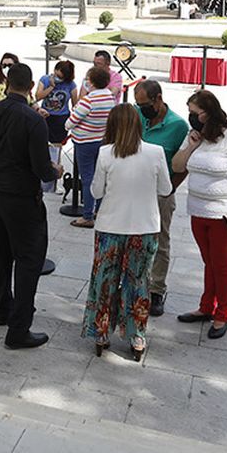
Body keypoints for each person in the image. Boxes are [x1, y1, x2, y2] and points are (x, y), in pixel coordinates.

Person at [0, 63, 60, 349]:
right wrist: (54, 171)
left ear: (8, 83)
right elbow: (41, 168)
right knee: (28, 259)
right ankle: (19, 328)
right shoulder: (33, 120)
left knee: (1, 252)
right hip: (23, 198)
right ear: (30, 85)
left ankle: (3, 308)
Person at [85, 104, 173, 360]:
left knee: (104, 281)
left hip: (110, 226)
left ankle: (102, 331)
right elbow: (165, 189)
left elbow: (96, 192)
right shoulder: (155, 152)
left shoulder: (105, 153)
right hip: (144, 227)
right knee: (138, 281)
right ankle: (137, 335)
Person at [172, 90, 227, 340]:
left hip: (225, 216)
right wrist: (191, 145)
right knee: (209, 261)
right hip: (198, 212)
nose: (191, 118)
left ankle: (223, 314)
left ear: (208, 112)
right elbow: (177, 166)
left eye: (194, 113)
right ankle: (206, 307)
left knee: (222, 264)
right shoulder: (196, 137)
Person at [133, 80, 188, 318]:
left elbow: (183, 165)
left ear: (158, 99)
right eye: (138, 104)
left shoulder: (177, 126)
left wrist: (169, 190)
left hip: (160, 192)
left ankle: (156, 289)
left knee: (159, 241)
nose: (141, 108)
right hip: (134, 189)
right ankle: (135, 282)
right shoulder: (137, 116)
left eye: (144, 104)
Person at [66, 66, 116, 228]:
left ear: (92, 82)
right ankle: (99, 211)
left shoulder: (89, 100)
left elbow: (69, 123)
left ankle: (87, 215)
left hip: (84, 143)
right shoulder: (110, 98)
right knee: (100, 177)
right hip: (101, 141)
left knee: (87, 179)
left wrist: (74, 111)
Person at [34, 60, 76, 192]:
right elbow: (37, 96)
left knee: (56, 150)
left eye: (60, 77)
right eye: (56, 74)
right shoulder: (45, 79)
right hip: (45, 116)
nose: (57, 78)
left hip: (61, 118)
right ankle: (39, 179)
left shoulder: (70, 85)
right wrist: (51, 87)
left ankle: (53, 182)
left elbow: (76, 103)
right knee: (40, 147)